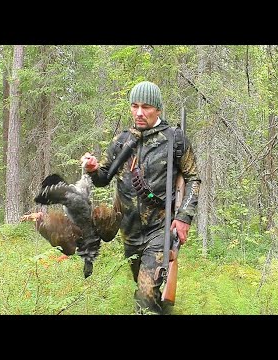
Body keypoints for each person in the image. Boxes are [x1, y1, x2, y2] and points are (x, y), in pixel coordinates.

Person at [82, 81, 201, 314]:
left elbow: (193, 178)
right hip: (130, 233)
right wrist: (93, 168)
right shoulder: (122, 141)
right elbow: (103, 178)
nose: (139, 112)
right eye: (134, 106)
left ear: (157, 109)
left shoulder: (174, 140)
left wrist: (184, 217)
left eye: (145, 107)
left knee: (146, 295)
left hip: (160, 229)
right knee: (149, 293)